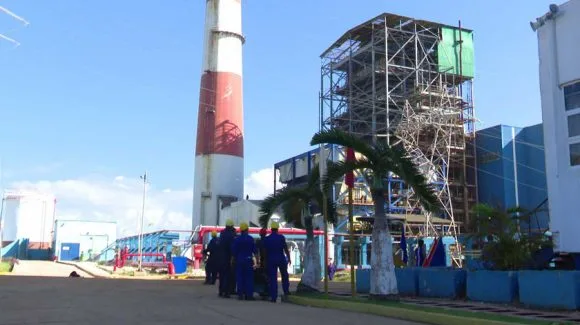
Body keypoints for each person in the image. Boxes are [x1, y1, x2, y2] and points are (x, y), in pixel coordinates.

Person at [263, 221, 291, 303]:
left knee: (273, 278)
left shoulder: (267, 239)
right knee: (284, 276)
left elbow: (265, 252)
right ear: (277, 229)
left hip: (271, 259)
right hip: (281, 258)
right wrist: (289, 258)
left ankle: (273, 297)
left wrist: (265, 261)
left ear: (271, 229)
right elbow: (285, 248)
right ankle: (286, 291)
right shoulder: (281, 237)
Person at [231, 222, 258, 300]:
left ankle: (240, 295)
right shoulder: (250, 239)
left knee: (240, 277)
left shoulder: (237, 239)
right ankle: (249, 295)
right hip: (248, 260)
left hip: (239, 260)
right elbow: (255, 251)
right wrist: (257, 261)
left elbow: (233, 251)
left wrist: (232, 260)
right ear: (247, 230)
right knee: (249, 278)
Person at [218, 219, 236, 298]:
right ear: (231, 226)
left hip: (221, 257)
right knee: (228, 275)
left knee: (222, 275)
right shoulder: (231, 235)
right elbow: (232, 247)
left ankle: (221, 291)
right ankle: (227, 292)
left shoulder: (222, 233)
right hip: (228, 257)